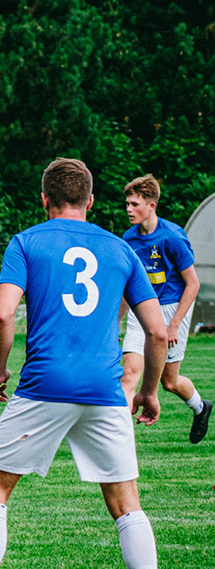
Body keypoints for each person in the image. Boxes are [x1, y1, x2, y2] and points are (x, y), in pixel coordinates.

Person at [0, 158, 172, 569]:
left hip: (43, 385)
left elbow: (2, 315)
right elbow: (156, 332)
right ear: (91, 201)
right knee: (126, 503)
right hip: (105, 391)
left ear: (44, 199)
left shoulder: (27, 242)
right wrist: (149, 391)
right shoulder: (120, 249)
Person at [119, 174, 212, 443]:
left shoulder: (172, 237)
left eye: (134, 204)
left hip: (172, 309)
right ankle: (119, 442)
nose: (128, 209)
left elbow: (193, 285)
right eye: (127, 203)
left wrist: (173, 325)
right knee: (129, 375)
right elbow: (128, 285)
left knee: (169, 382)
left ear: (151, 205)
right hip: (142, 309)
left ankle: (200, 407)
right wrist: (114, 322)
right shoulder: (129, 239)